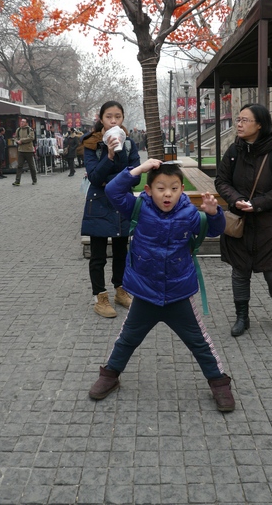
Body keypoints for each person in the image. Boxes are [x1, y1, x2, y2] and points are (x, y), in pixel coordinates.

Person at [88, 159, 235, 413]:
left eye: (175, 188)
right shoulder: (138, 207)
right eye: (161, 188)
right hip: (145, 294)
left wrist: (213, 213)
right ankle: (110, 375)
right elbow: (112, 190)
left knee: (199, 342)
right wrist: (139, 169)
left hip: (179, 295)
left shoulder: (189, 213)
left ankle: (219, 382)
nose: (168, 194)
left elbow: (215, 230)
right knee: (127, 338)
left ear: (182, 190)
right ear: (148, 191)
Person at [215, 104, 272, 336]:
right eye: (238, 119)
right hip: (240, 224)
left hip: (271, 226)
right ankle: (242, 317)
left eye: (245, 120)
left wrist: (258, 204)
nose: (239, 124)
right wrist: (237, 199)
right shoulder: (234, 150)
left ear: (259, 124)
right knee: (240, 272)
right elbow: (221, 181)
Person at [81, 101, 141, 318]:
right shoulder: (90, 143)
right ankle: (100, 296)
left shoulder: (129, 144)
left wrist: (119, 152)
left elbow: (135, 177)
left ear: (123, 118)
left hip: (121, 204)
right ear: (101, 118)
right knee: (98, 255)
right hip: (98, 203)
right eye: (109, 117)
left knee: (121, 252)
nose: (113, 121)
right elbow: (95, 177)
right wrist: (109, 155)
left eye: (117, 116)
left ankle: (121, 290)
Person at [12, 119, 38, 186]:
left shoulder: (29, 129)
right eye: (21, 122)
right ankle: (17, 181)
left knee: (31, 166)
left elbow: (31, 138)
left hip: (28, 150)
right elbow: (15, 138)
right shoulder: (18, 129)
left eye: (23, 122)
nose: (21, 123)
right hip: (21, 150)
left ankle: (34, 180)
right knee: (19, 166)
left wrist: (22, 140)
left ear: (26, 123)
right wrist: (17, 141)